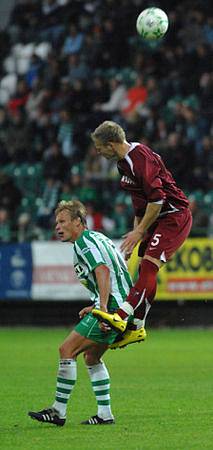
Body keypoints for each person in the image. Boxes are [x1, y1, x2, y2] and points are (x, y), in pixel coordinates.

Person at [28, 199, 146, 427]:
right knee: (91, 357)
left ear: (78, 222)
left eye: (62, 222)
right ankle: (105, 414)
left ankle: (58, 411)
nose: (57, 227)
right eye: (56, 223)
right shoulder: (98, 237)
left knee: (66, 350)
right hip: (122, 307)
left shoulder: (83, 243)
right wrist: (95, 305)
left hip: (112, 309)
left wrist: (102, 310)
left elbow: (102, 271)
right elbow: (116, 273)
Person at [90, 121, 192, 332]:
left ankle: (121, 315)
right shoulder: (122, 164)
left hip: (174, 215)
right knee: (145, 269)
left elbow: (157, 200)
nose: (98, 152)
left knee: (148, 267)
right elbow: (140, 205)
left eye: (99, 148)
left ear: (111, 144)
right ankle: (137, 325)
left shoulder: (139, 157)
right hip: (157, 219)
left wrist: (139, 231)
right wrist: (134, 238)